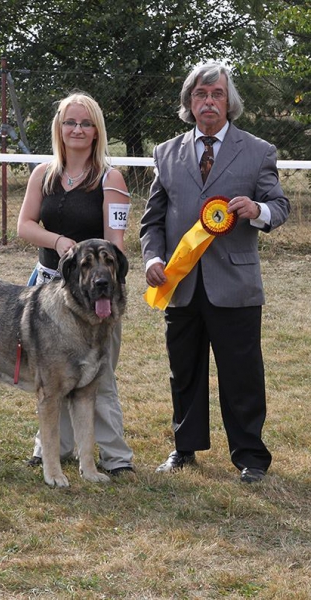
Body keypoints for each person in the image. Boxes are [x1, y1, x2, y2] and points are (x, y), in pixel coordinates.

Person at [140, 62, 290, 483]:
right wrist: (153, 258)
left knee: (242, 374)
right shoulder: (165, 153)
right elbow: (152, 221)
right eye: (201, 95)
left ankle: (250, 457)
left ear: (230, 102)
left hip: (236, 285)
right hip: (180, 283)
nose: (209, 102)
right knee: (183, 370)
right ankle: (184, 449)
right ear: (190, 103)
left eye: (217, 94)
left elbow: (280, 207)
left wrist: (257, 210)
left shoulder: (258, 151)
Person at [17, 91, 134, 476]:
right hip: (47, 289)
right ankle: (54, 450)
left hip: (95, 295)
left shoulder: (110, 178)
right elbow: (25, 226)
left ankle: (116, 458)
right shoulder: (43, 174)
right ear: (59, 129)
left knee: (98, 376)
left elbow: (115, 244)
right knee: (53, 376)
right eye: (70, 122)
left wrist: (99, 277)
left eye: (85, 123)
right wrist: (59, 242)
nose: (78, 129)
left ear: (96, 130)